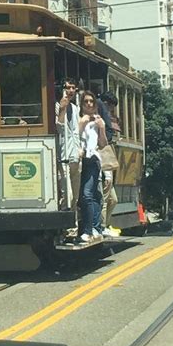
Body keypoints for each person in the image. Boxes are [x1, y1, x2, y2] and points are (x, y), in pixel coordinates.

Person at [77, 91, 107, 244]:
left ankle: (89, 230)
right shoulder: (79, 118)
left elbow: (102, 144)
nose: (89, 104)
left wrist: (102, 128)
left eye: (92, 101)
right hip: (79, 159)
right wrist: (82, 123)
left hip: (92, 160)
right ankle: (95, 228)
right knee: (89, 195)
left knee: (88, 194)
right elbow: (75, 136)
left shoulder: (98, 121)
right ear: (81, 104)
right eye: (86, 101)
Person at [55, 78, 81, 215]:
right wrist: (63, 109)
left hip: (75, 156)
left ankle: (73, 230)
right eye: (68, 88)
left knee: (75, 195)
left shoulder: (75, 108)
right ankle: (66, 228)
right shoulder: (56, 106)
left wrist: (80, 149)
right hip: (63, 156)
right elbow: (59, 128)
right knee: (68, 195)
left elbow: (76, 131)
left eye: (73, 88)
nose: (71, 91)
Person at [98, 91, 120, 237]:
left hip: (105, 152)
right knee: (105, 193)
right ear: (108, 104)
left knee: (113, 199)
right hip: (103, 153)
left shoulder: (101, 108)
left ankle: (105, 224)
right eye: (111, 108)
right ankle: (101, 227)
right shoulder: (100, 108)